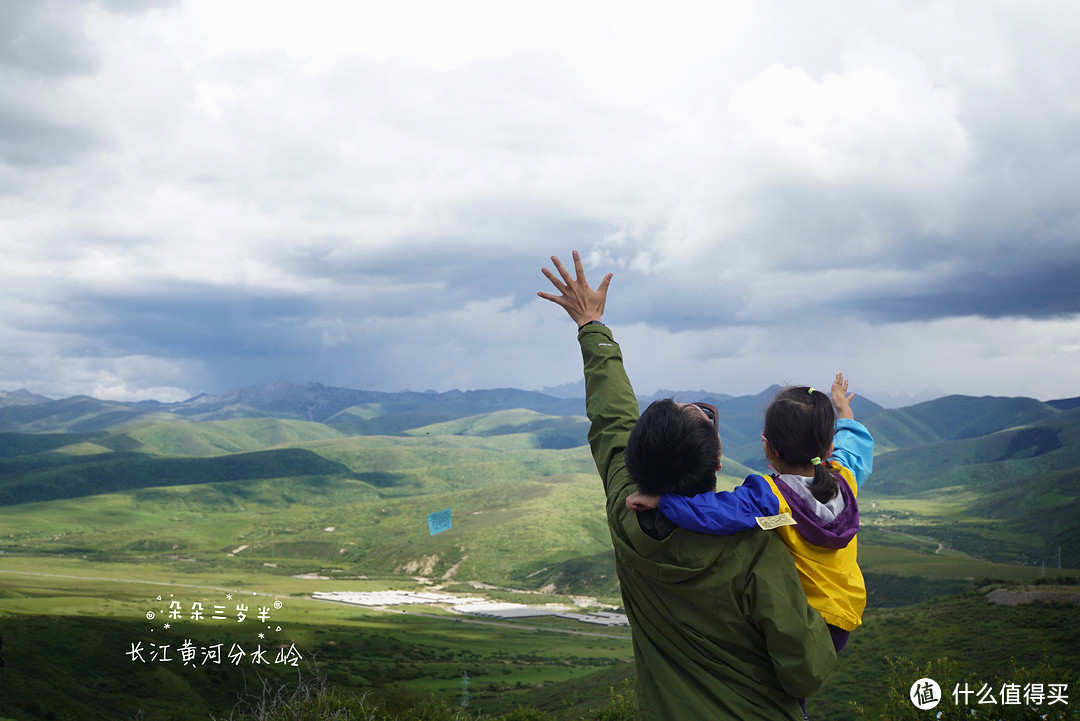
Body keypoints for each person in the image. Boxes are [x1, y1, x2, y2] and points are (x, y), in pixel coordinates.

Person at [538, 251, 836, 720]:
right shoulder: (754, 545)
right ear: (718, 460)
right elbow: (807, 673)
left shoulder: (626, 510)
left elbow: (612, 416)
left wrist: (590, 324)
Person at [625, 374, 874, 656]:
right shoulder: (845, 478)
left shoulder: (771, 496)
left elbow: (717, 513)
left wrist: (664, 501)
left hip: (809, 622)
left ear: (767, 447)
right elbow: (853, 444)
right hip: (846, 615)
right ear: (828, 447)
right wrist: (843, 410)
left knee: (789, 686)